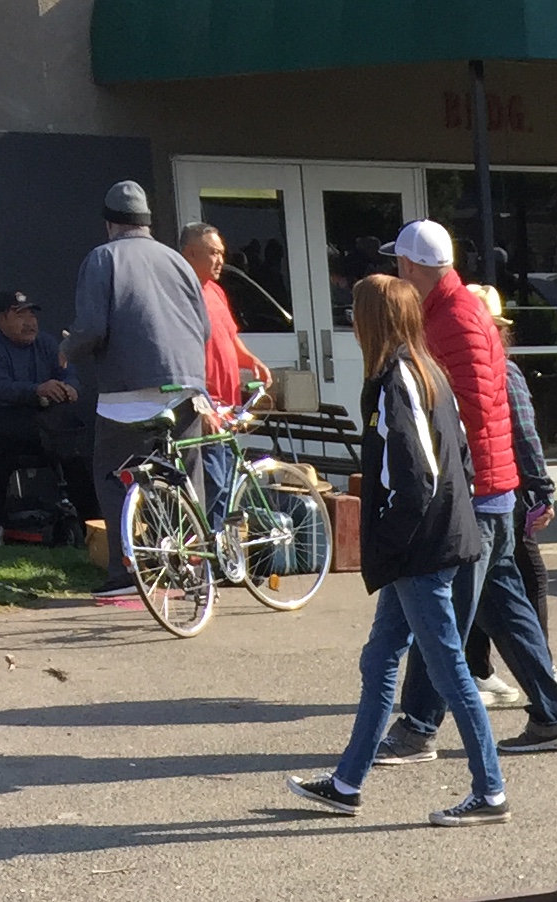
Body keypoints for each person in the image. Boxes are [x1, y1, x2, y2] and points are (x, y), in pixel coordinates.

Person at [286, 274, 506, 829]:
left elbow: (419, 479)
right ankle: (346, 783)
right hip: (429, 544)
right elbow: (455, 455)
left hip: (420, 549)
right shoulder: (425, 369)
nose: (350, 325)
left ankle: (491, 791)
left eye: (354, 314)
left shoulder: (397, 380)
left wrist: (384, 540)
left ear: (371, 321)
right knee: (381, 657)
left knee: (448, 668)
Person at [374, 220, 557, 764]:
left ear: (412, 268)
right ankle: (552, 716)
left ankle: (417, 729)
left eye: (400, 264)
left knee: (440, 620)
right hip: (490, 491)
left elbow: (461, 411)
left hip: (475, 492)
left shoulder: (452, 319)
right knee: (502, 609)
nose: (397, 273)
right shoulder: (459, 311)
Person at [63, 178, 212, 602]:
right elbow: (203, 327)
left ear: (109, 224)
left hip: (128, 392)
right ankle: (194, 569)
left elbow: (93, 328)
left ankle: (126, 571)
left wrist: (67, 349)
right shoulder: (177, 260)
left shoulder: (101, 259)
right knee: (184, 475)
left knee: (113, 475)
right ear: (147, 222)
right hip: (186, 384)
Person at [462, 283, 557, 711]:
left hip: (474, 493)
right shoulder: (503, 371)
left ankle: (479, 671)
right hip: (502, 493)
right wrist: (542, 489)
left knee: (479, 587)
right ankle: (542, 678)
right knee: (525, 582)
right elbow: (525, 435)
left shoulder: (452, 366)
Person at [0, 291, 95, 543]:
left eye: (32, 314)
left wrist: (70, 388)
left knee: (78, 453)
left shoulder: (47, 344)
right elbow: (0, 389)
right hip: (0, 427)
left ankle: (92, 524)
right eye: (20, 314)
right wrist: (36, 390)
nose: (30, 322)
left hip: (42, 427)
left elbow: (69, 374)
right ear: (1, 319)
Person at [182, 223, 271, 528]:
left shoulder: (216, 291)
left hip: (228, 404)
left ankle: (224, 553)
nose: (220, 260)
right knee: (213, 481)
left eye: (221, 253)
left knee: (228, 480)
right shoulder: (182, 294)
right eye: (213, 253)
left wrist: (250, 360)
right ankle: (208, 558)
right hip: (203, 401)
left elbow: (229, 337)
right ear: (190, 253)